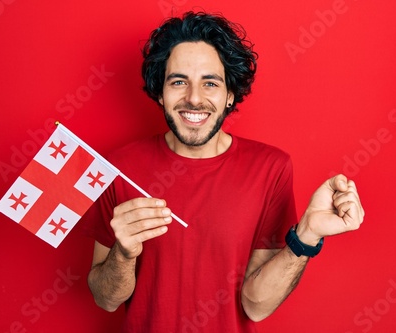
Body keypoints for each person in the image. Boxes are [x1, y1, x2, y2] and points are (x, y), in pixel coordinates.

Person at [86, 11, 364, 332]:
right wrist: (123, 253)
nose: (194, 98)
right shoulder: (119, 168)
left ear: (229, 95)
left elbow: (255, 306)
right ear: (160, 93)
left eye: (210, 83)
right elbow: (105, 299)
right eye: (178, 82)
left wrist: (307, 236)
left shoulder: (270, 168)